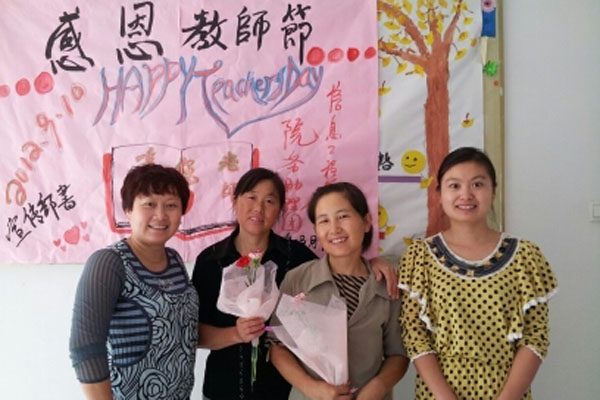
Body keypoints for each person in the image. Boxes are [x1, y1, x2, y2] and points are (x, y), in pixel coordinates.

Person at [192, 168, 398, 400]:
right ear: (235, 200)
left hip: (279, 391)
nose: (258, 208)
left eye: (269, 201)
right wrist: (235, 334)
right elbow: (193, 334)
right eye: (251, 197)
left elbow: (339, 264)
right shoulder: (210, 260)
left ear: (280, 210)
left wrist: (374, 262)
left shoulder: (296, 258)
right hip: (221, 388)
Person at [398, 147, 558, 400]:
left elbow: (535, 335)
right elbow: (414, 334)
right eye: (454, 185)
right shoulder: (420, 257)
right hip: (438, 394)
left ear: (493, 190)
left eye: (477, 184)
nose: (466, 195)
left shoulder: (525, 256)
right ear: (438, 194)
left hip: (507, 392)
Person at [69, 164, 199, 400]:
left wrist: (236, 333)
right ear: (128, 209)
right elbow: (85, 348)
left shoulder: (175, 260)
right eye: (149, 204)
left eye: (171, 205)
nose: (160, 215)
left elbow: (183, 332)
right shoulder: (109, 263)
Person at [270, 182, 409, 400]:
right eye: (324, 220)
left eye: (343, 216)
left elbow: (398, 353)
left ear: (366, 222)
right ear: (316, 230)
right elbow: (277, 347)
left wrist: (378, 387)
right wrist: (311, 388)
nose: (334, 229)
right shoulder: (298, 278)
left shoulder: (387, 283)